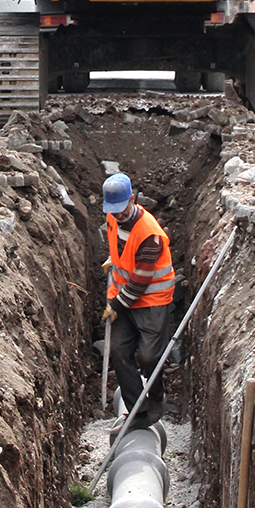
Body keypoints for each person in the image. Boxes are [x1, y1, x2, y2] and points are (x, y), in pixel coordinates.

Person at [101, 172, 175, 429]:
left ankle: (155, 399)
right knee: (119, 350)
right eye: (113, 211)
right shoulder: (112, 215)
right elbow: (121, 247)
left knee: (148, 357)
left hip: (151, 299)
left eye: (122, 210)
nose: (117, 215)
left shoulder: (150, 234)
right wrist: (115, 258)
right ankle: (137, 412)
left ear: (132, 199)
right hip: (123, 294)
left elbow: (140, 282)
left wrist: (115, 306)